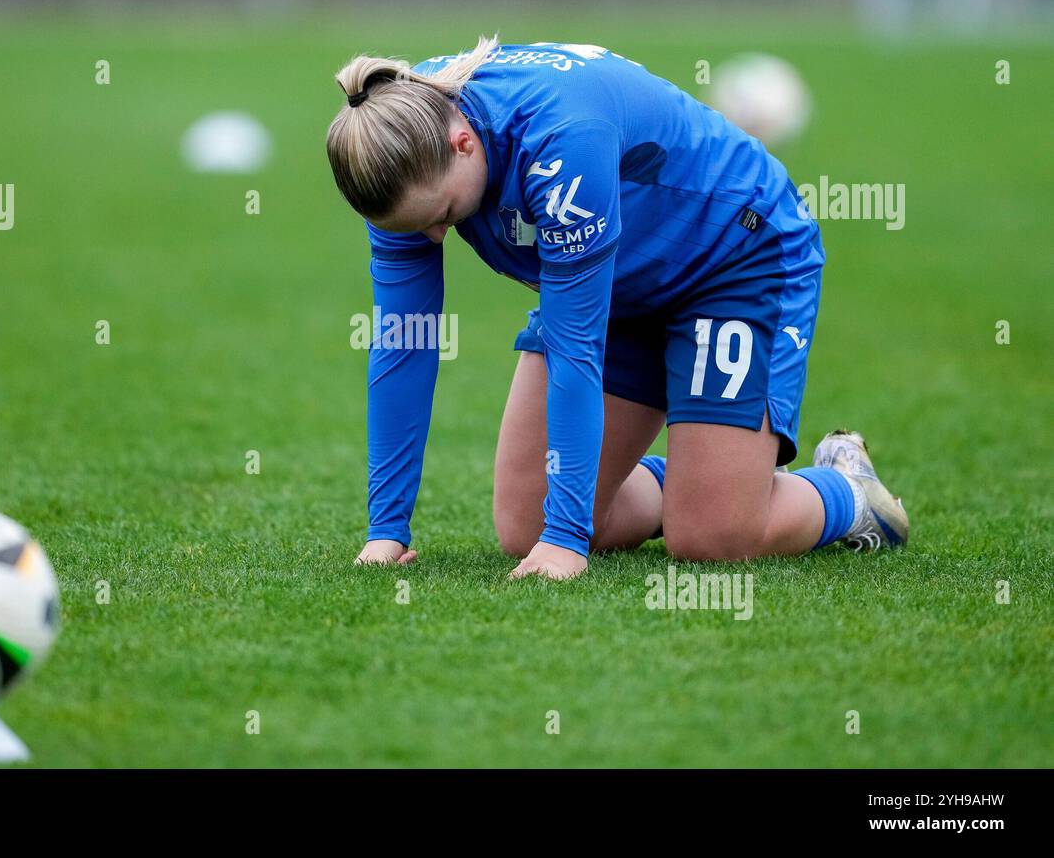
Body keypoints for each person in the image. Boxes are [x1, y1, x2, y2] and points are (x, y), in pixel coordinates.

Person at [325, 38, 908, 580]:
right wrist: (386, 532)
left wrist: (566, 540)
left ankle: (848, 491)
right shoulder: (393, 139)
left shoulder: (558, 141)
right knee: (525, 524)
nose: (430, 238)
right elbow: (406, 341)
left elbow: (577, 347)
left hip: (731, 255)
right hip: (617, 277)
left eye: (443, 216)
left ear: (464, 143)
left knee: (710, 537)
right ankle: (704, 478)